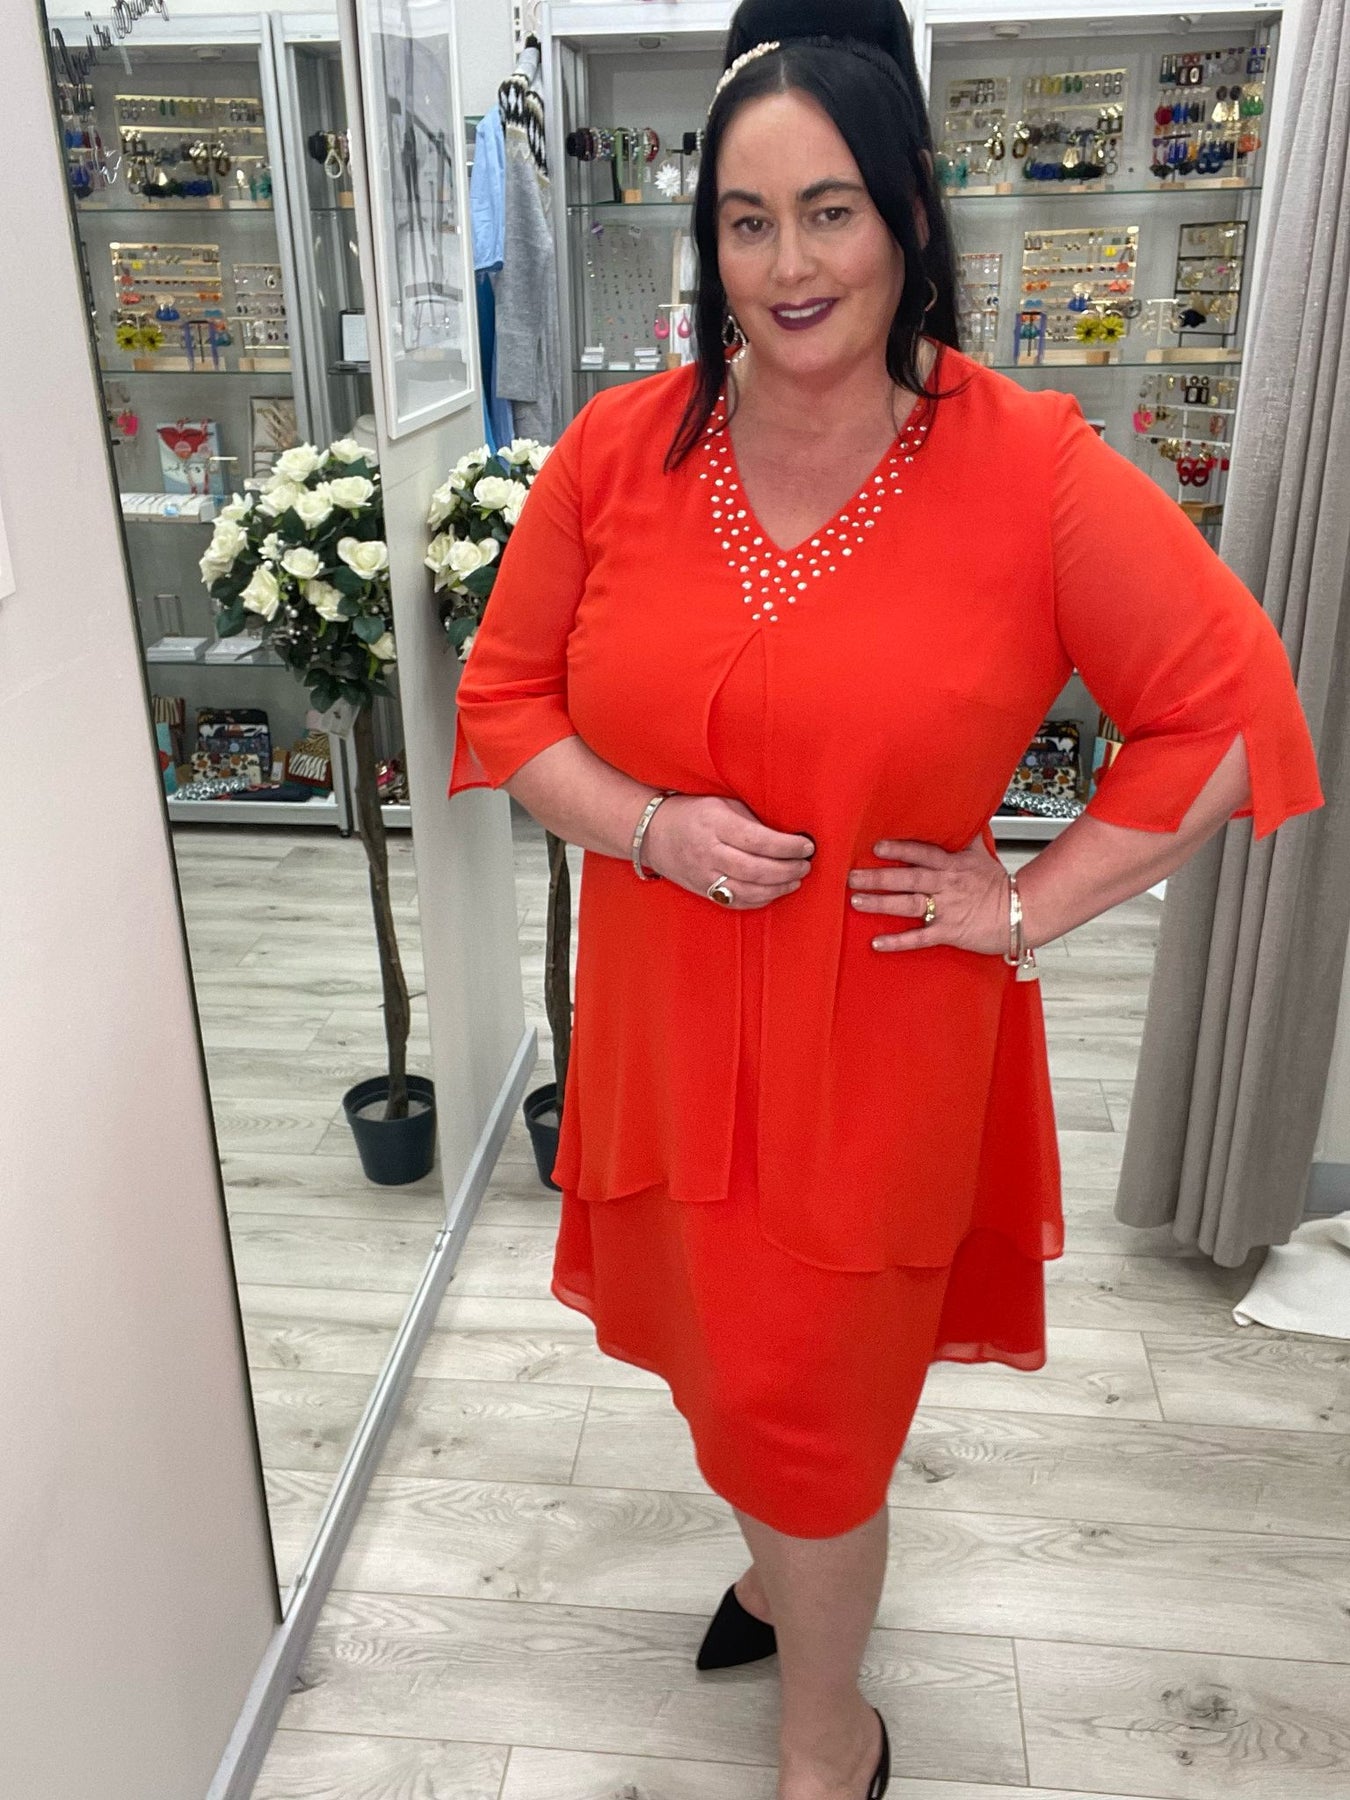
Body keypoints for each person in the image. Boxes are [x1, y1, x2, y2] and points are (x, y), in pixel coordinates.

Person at [447, 6, 1324, 1797]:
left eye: (829, 211)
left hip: (877, 1036)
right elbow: (505, 707)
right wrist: (646, 828)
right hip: (667, 1021)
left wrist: (1030, 904)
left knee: (813, 1413)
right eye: (745, 219)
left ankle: (826, 1736)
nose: (788, 265)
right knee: (717, 1369)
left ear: (910, 215)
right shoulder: (617, 452)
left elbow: (1230, 717)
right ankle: (774, 1577)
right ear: (706, 242)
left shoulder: (1027, 467)